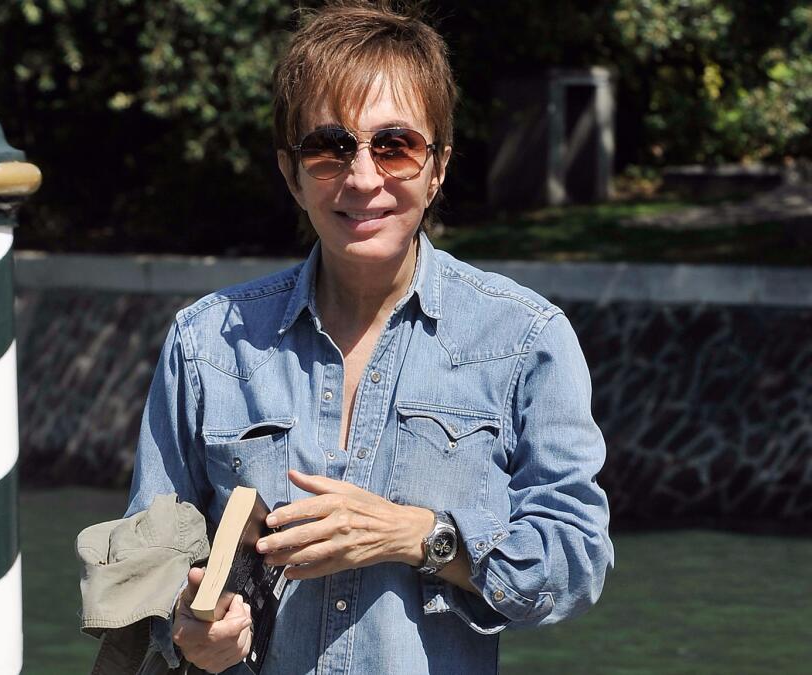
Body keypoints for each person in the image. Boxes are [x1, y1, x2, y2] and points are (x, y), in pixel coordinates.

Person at [125, 2, 613, 673]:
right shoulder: (204, 343)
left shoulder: (526, 339)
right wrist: (188, 629)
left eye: (395, 145)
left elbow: (576, 560)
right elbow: (144, 564)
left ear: (437, 166)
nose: (362, 177)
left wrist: (422, 536)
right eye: (328, 148)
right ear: (292, 172)